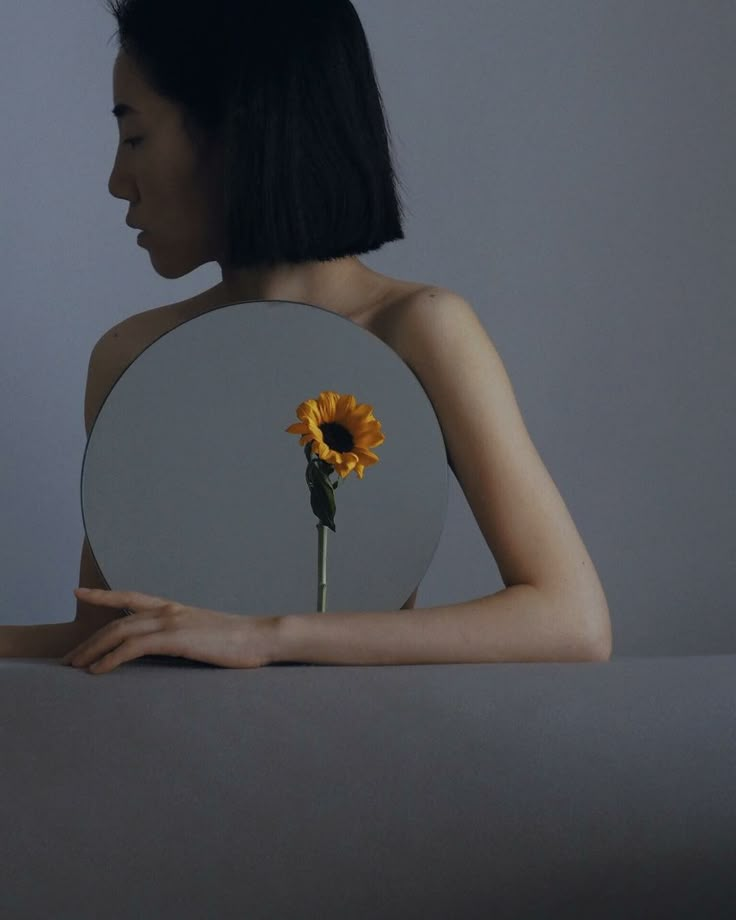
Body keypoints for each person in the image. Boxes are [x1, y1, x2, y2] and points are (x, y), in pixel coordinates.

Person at [0, 0, 612, 670]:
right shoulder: (132, 358)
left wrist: (267, 636)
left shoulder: (419, 333)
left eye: (136, 137)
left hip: (349, 755)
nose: (118, 182)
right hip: (166, 755)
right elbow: (107, 635)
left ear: (239, 128)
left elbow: (572, 621)